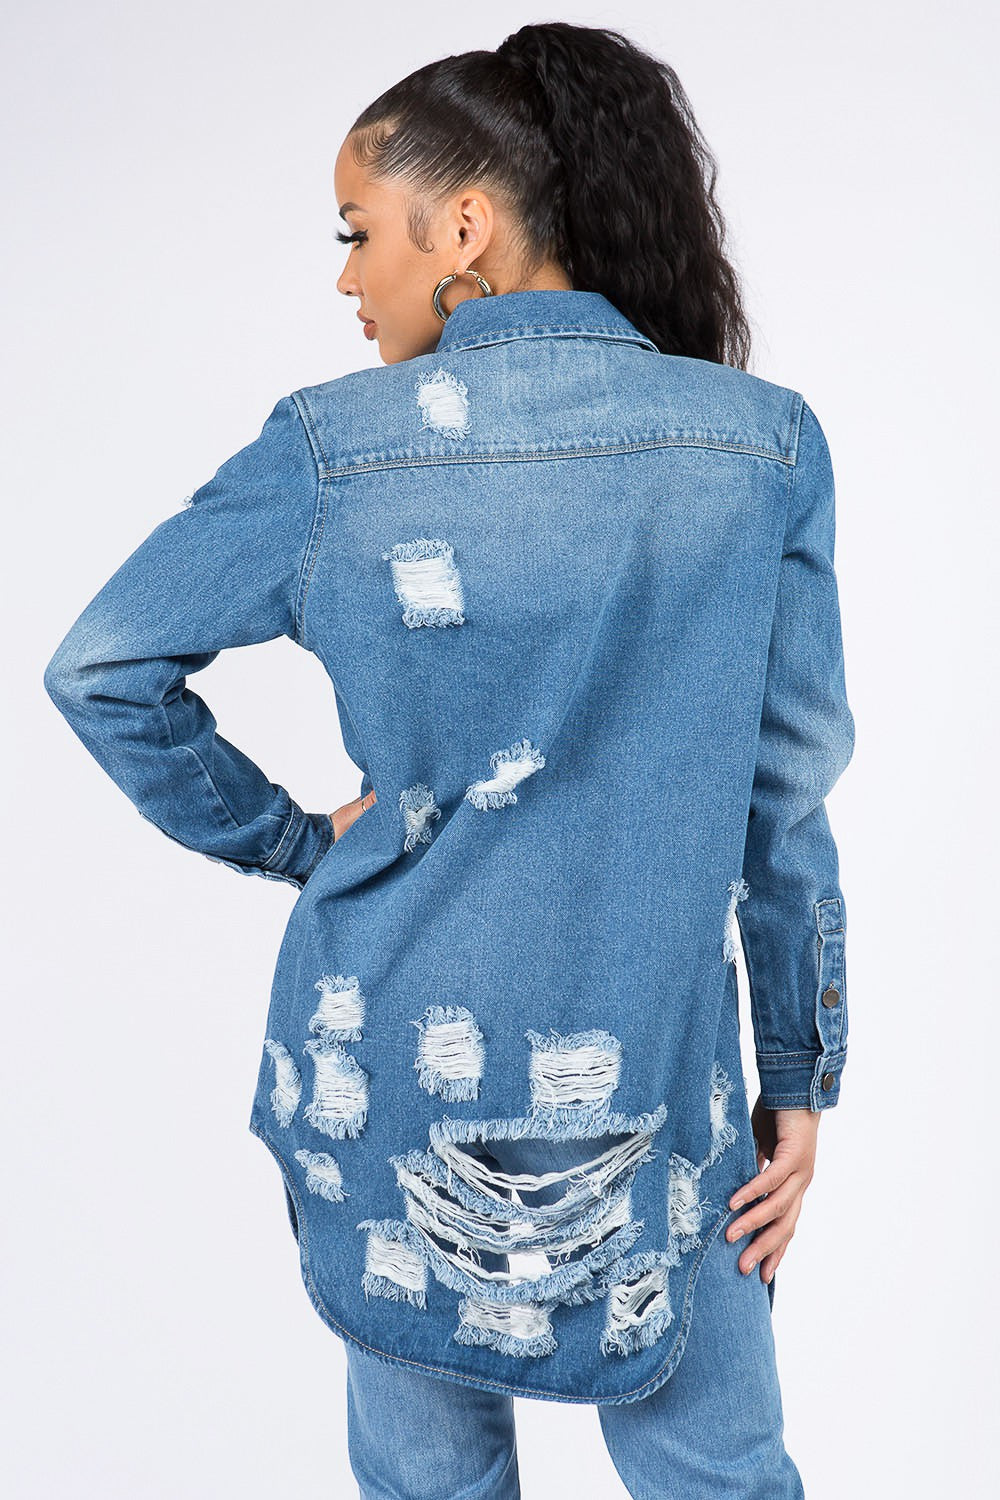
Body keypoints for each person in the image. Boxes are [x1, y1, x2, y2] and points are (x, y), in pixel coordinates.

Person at [42, 20, 855, 1500]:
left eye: (359, 233)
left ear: (463, 225)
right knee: (722, 1477)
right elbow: (781, 806)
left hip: (383, 1062)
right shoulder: (760, 447)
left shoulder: (331, 453)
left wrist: (301, 847)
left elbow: (100, 667)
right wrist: (798, 1074)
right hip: (662, 1087)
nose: (348, 278)